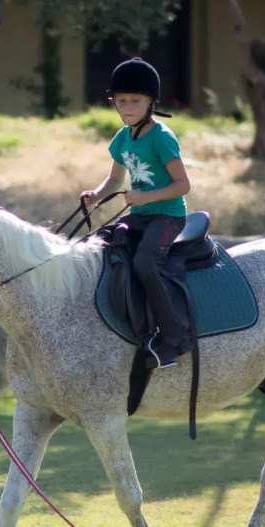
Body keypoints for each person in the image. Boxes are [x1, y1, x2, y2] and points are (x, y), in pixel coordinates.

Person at [79, 57, 195, 368]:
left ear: (150, 103)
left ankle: (174, 337)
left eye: (135, 100)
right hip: (142, 214)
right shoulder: (122, 138)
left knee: (145, 261)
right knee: (103, 245)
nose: (127, 107)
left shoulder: (162, 138)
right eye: (121, 101)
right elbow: (115, 179)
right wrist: (96, 195)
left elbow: (183, 185)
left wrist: (145, 197)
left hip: (168, 216)